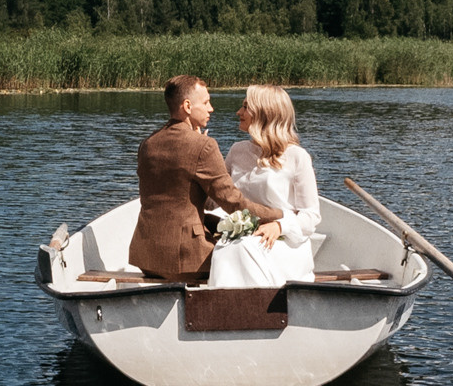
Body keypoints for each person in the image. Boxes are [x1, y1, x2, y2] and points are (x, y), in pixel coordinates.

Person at [130, 75, 281, 283]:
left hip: (146, 257)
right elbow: (234, 204)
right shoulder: (204, 146)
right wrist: (280, 216)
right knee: (252, 258)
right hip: (185, 262)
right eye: (206, 102)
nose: (211, 108)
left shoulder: (147, 144)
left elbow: (187, 195)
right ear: (188, 106)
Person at [207, 85, 322, 288]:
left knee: (239, 248)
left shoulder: (297, 157)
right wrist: (202, 154)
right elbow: (215, 199)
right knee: (229, 247)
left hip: (283, 243)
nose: (238, 112)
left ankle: (252, 310)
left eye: (245, 107)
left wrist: (279, 226)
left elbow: (311, 216)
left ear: (264, 114)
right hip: (241, 238)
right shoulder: (237, 150)